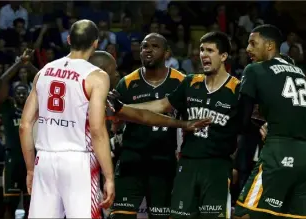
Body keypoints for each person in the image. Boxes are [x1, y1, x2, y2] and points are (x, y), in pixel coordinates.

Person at [19, 20, 210, 218]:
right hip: (78, 160)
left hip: (45, 159)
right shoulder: (95, 76)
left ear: (68, 39)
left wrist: (31, 169)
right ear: (95, 43)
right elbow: (101, 129)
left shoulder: (44, 72)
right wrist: (109, 177)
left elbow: (25, 126)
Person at [108, 31, 241, 219]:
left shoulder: (236, 89)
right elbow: (158, 107)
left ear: (224, 56)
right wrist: (122, 108)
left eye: (209, 50)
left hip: (207, 165)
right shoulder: (189, 82)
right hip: (180, 163)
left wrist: (238, 164)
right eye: (202, 50)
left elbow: (245, 128)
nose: (203, 54)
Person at [234, 24, 306, 219]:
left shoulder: (255, 70)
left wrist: (255, 126)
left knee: (244, 214)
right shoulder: (299, 72)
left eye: (253, 44)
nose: (248, 49)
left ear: (270, 45)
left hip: (279, 152)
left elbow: (242, 119)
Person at [0, 49, 34, 219]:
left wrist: (30, 65)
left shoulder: (33, 110)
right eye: (18, 92)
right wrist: (20, 62)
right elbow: (3, 80)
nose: (20, 94)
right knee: (9, 205)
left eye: (23, 92)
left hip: (30, 159)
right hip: (13, 157)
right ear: (14, 95)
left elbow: (45, 77)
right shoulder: (8, 108)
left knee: (30, 205)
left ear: (28, 94)